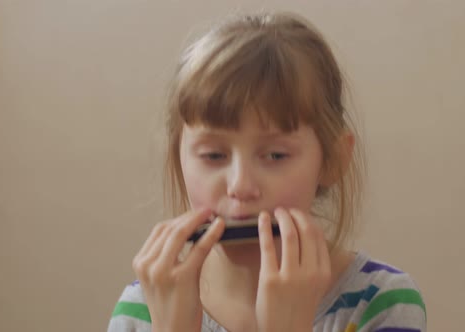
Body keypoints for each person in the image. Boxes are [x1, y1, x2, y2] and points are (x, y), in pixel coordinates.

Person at [108, 12, 426, 332]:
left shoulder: (381, 303)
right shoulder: (144, 310)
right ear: (179, 162)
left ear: (332, 160)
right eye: (213, 155)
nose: (241, 186)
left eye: (275, 155)